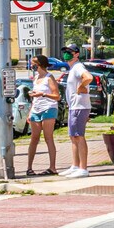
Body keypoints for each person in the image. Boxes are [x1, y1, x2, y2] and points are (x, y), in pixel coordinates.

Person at [23, 55, 61, 178]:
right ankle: (29, 168)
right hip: (36, 109)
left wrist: (43, 94)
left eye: (33, 63)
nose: (31, 65)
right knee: (34, 138)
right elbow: (35, 98)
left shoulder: (49, 77)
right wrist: (30, 112)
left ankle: (52, 167)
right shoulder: (36, 78)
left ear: (39, 64)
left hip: (48, 108)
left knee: (48, 137)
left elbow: (57, 96)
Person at [61, 46, 94, 178]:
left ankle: (83, 168)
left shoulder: (78, 67)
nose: (66, 54)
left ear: (76, 54)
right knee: (73, 136)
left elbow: (88, 77)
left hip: (79, 106)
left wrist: (80, 87)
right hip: (74, 106)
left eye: (69, 52)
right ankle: (75, 166)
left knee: (79, 136)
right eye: (65, 52)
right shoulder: (73, 68)